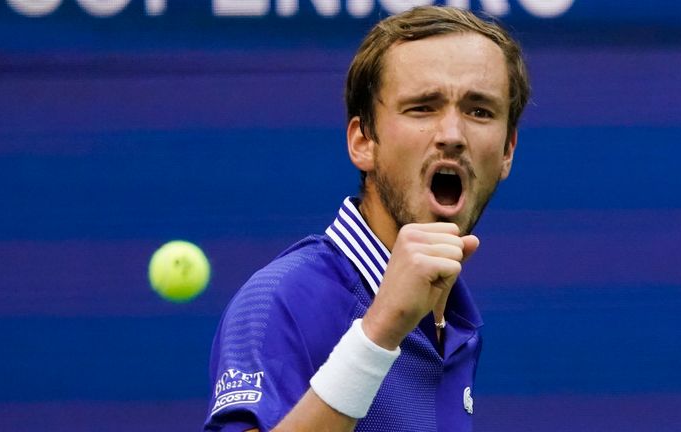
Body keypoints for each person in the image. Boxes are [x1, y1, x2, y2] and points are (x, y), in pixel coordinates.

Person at [203, 5, 530, 431]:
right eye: (422, 108)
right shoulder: (280, 298)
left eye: (479, 111)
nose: (452, 135)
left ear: (507, 151)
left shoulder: (456, 322)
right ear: (363, 142)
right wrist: (378, 333)